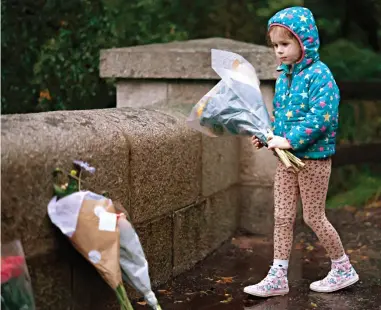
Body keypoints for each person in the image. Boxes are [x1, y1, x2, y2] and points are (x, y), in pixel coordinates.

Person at [243, 6, 359, 297]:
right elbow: (281, 117)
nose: (279, 51)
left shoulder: (321, 76)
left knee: (313, 216)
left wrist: (290, 141)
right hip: (287, 162)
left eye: (285, 44)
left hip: (314, 160)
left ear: (304, 42)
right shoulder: (285, 77)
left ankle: (343, 267)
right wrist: (266, 135)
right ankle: (278, 275)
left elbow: (322, 118)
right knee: (282, 216)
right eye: (275, 46)